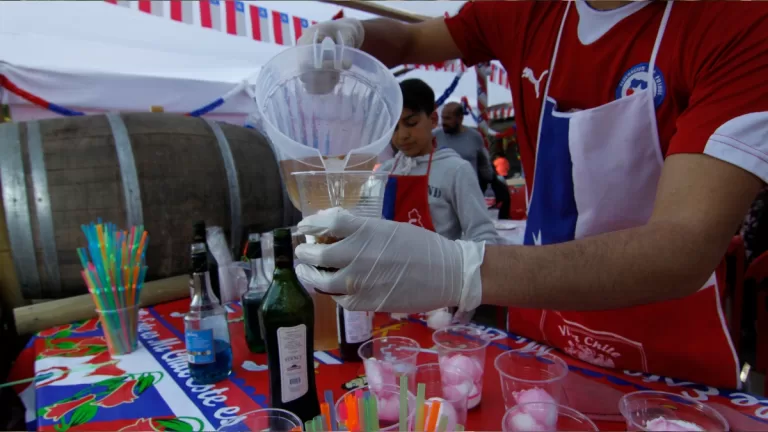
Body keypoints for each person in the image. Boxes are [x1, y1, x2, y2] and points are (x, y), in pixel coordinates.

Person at [295, 1, 768, 389]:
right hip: (539, 336)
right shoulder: (526, 10)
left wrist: (461, 269)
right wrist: (354, 36)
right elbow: (413, 40)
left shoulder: (738, 21)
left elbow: (682, 247)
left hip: (663, 355)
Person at [379, 78, 498, 244]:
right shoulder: (384, 172)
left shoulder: (456, 171)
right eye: (394, 127)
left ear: (433, 120)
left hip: (439, 261)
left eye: (411, 123)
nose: (402, 135)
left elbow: (483, 235)